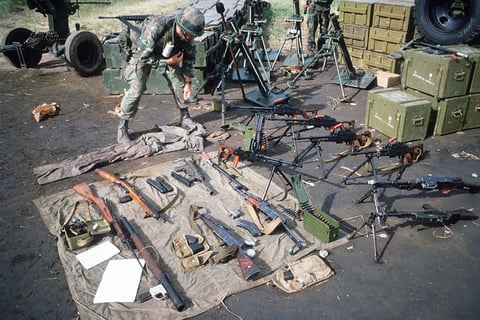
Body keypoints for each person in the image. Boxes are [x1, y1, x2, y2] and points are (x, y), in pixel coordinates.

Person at [116, 7, 205, 143]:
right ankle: (122, 126)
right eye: (191, 34)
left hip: (166, 53)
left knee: (178, 82)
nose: (193, 38)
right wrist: (167, 61)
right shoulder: (157, 27)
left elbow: (188, 60)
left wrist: (188, 83)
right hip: (142, 51)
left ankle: (185, 116)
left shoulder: (188, 36)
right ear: (182, 29)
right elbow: (143, 57)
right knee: (137, 88)